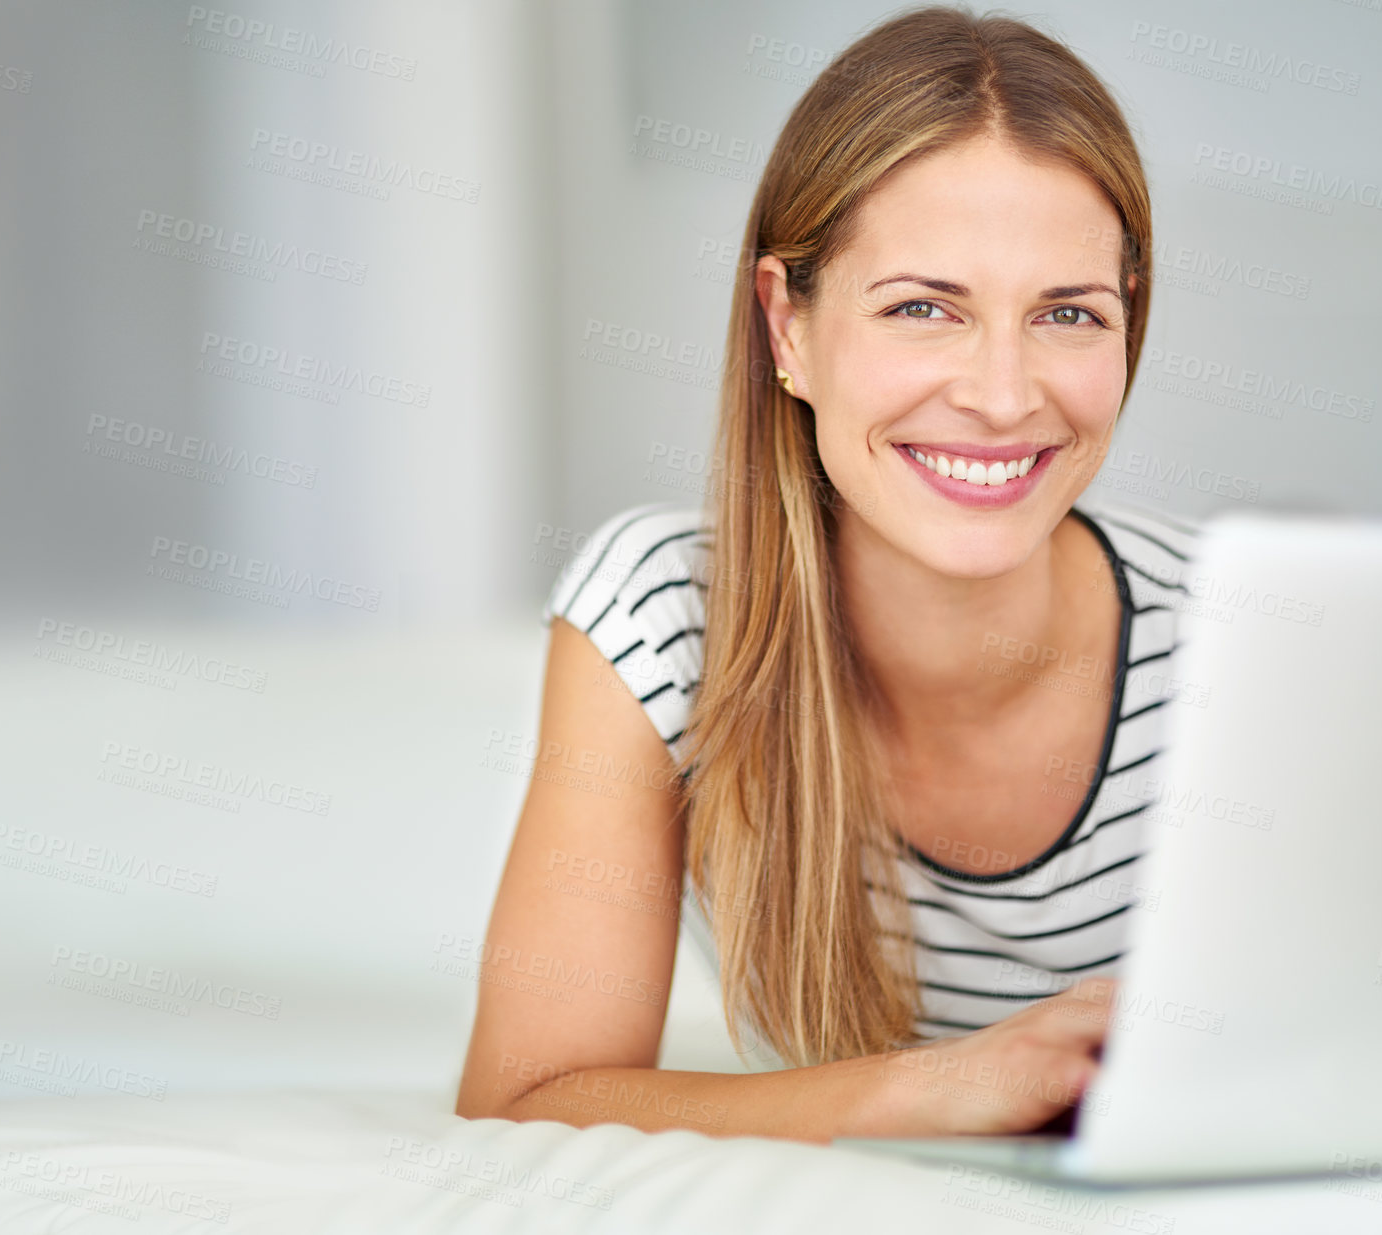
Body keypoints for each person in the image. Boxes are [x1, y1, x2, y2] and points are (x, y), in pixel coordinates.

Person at [457, 4, 1204, 1143]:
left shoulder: (1237, 645)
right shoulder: (662, 617)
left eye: (1066, 313)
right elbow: (528, 1098)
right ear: (787, 327)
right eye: (921, 308)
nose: (1003, 395)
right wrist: (943, 1086)